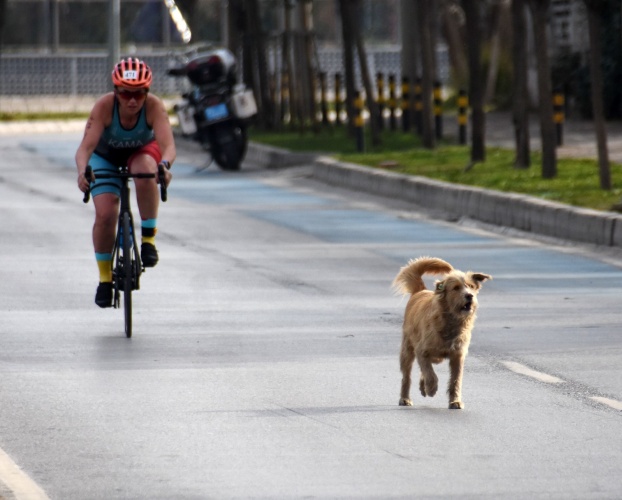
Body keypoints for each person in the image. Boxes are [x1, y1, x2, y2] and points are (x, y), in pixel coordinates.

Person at [76, 57, 176, 308]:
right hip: (105, 157)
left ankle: (148, 241)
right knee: (106, 212)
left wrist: (165, 166)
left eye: (139, 94)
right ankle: (104, 280)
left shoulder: (154, 107)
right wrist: (82, 172)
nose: (132, 100)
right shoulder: (103, 107)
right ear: (116, 92)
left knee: (145, 170)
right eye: (126, 94)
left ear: (147, 92)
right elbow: (85, 148)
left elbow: (168, 146)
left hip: (141, 152)